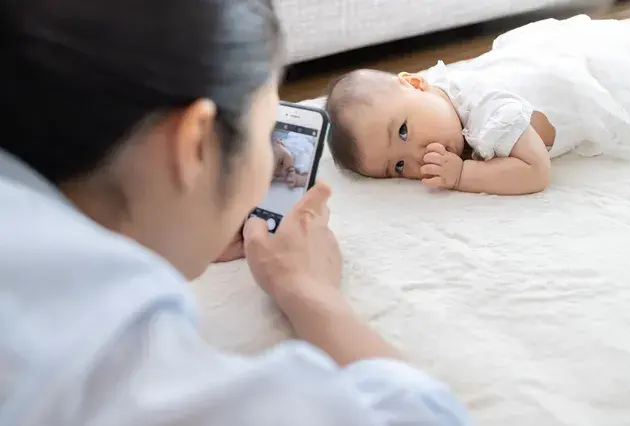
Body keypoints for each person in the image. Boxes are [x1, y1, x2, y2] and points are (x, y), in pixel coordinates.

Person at [0, 0, 472, 425]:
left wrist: (165, 232)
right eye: (267, 129)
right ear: (195, 145)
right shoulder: (108, 359)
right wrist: (309, 292)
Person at [325, 15, 630, 196]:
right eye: (397, 167)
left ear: (417, 83)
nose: (417, 158)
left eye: (404, 132)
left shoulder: (489, 113)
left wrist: (464, 174)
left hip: (605, 80)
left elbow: (536, 171)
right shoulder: (438, 93)